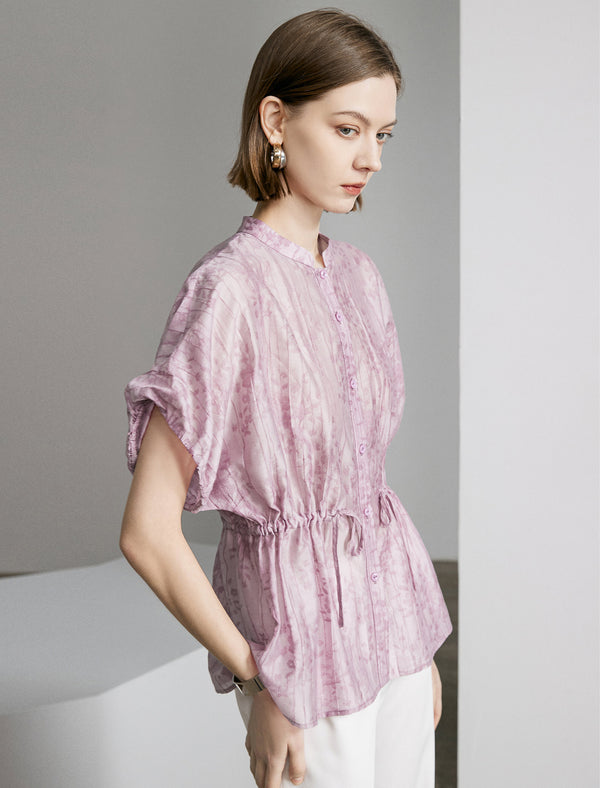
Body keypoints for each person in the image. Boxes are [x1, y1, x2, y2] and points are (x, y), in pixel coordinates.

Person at [120, 9, 452, 788]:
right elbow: (147, 532)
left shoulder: (360, 277)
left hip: (399, 642)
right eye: (347, 129)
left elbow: (364, 491)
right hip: (298, 657)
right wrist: (257, 681)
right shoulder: (227, 291)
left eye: (383, 135)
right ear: (276, 121)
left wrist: (415, 651)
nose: (370, 158)